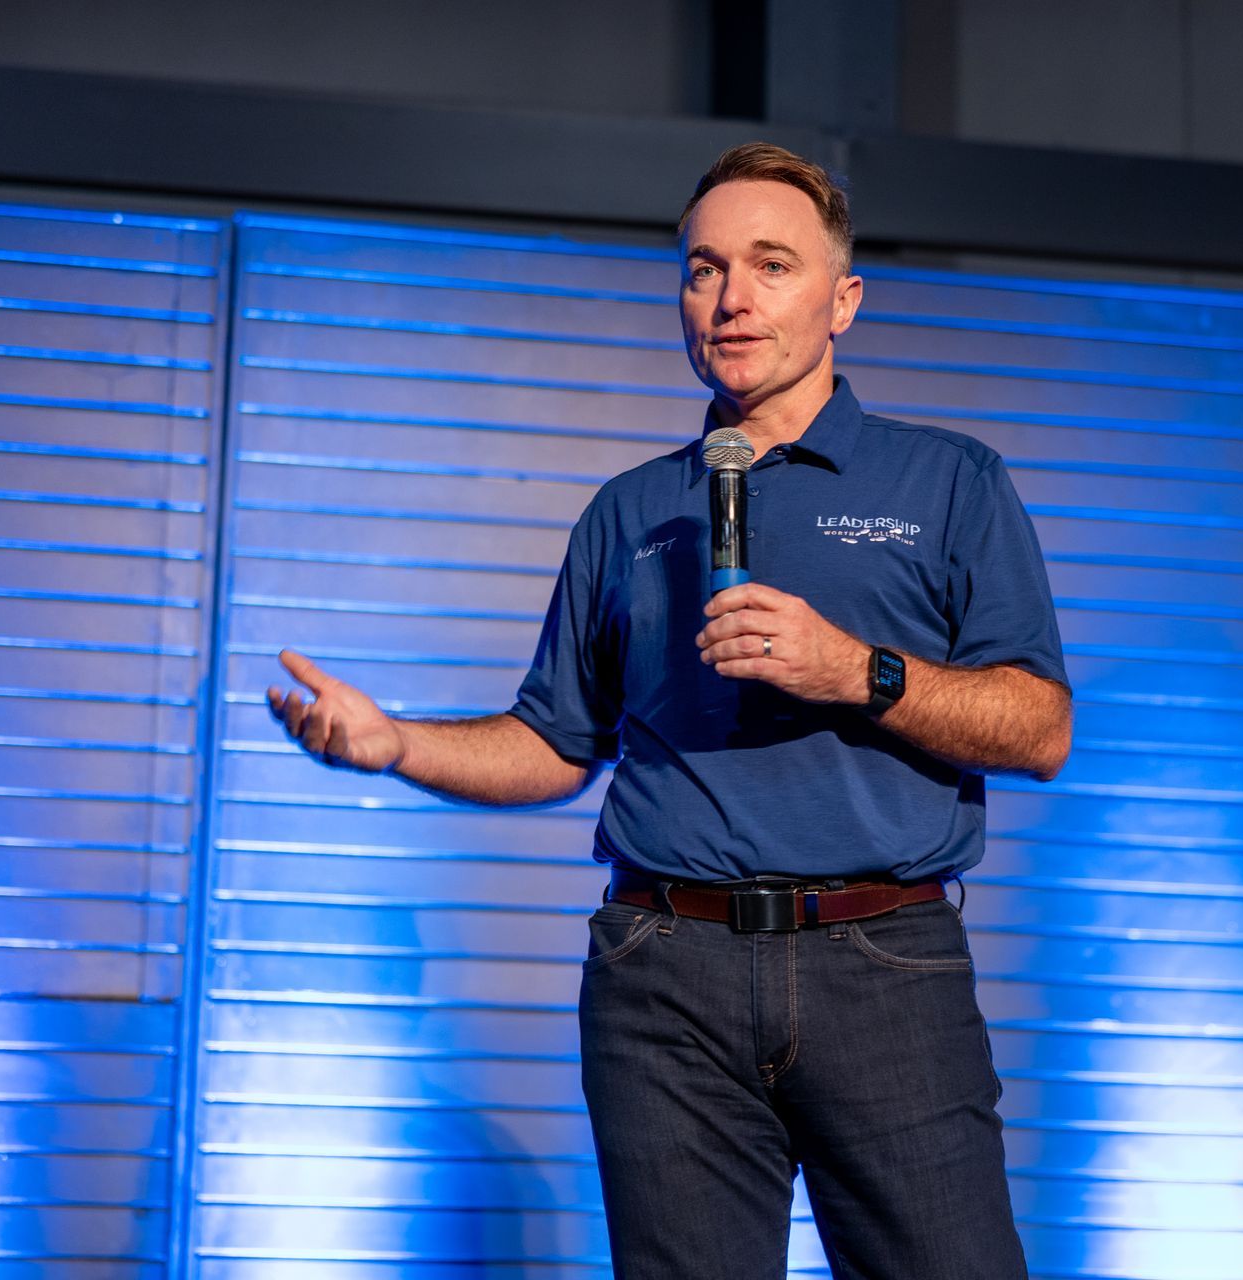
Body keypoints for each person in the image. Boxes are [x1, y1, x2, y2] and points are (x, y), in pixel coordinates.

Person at [268, 142, 1072, 1279]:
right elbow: (554, 742)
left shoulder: (948, 484)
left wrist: (857, 670)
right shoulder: (629, 511)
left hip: (884, 962)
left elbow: (1038, 726)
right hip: (663, 975)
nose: (732, 296)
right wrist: (395, 743)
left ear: (842, 299)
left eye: (771, 264)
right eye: (703, 269)